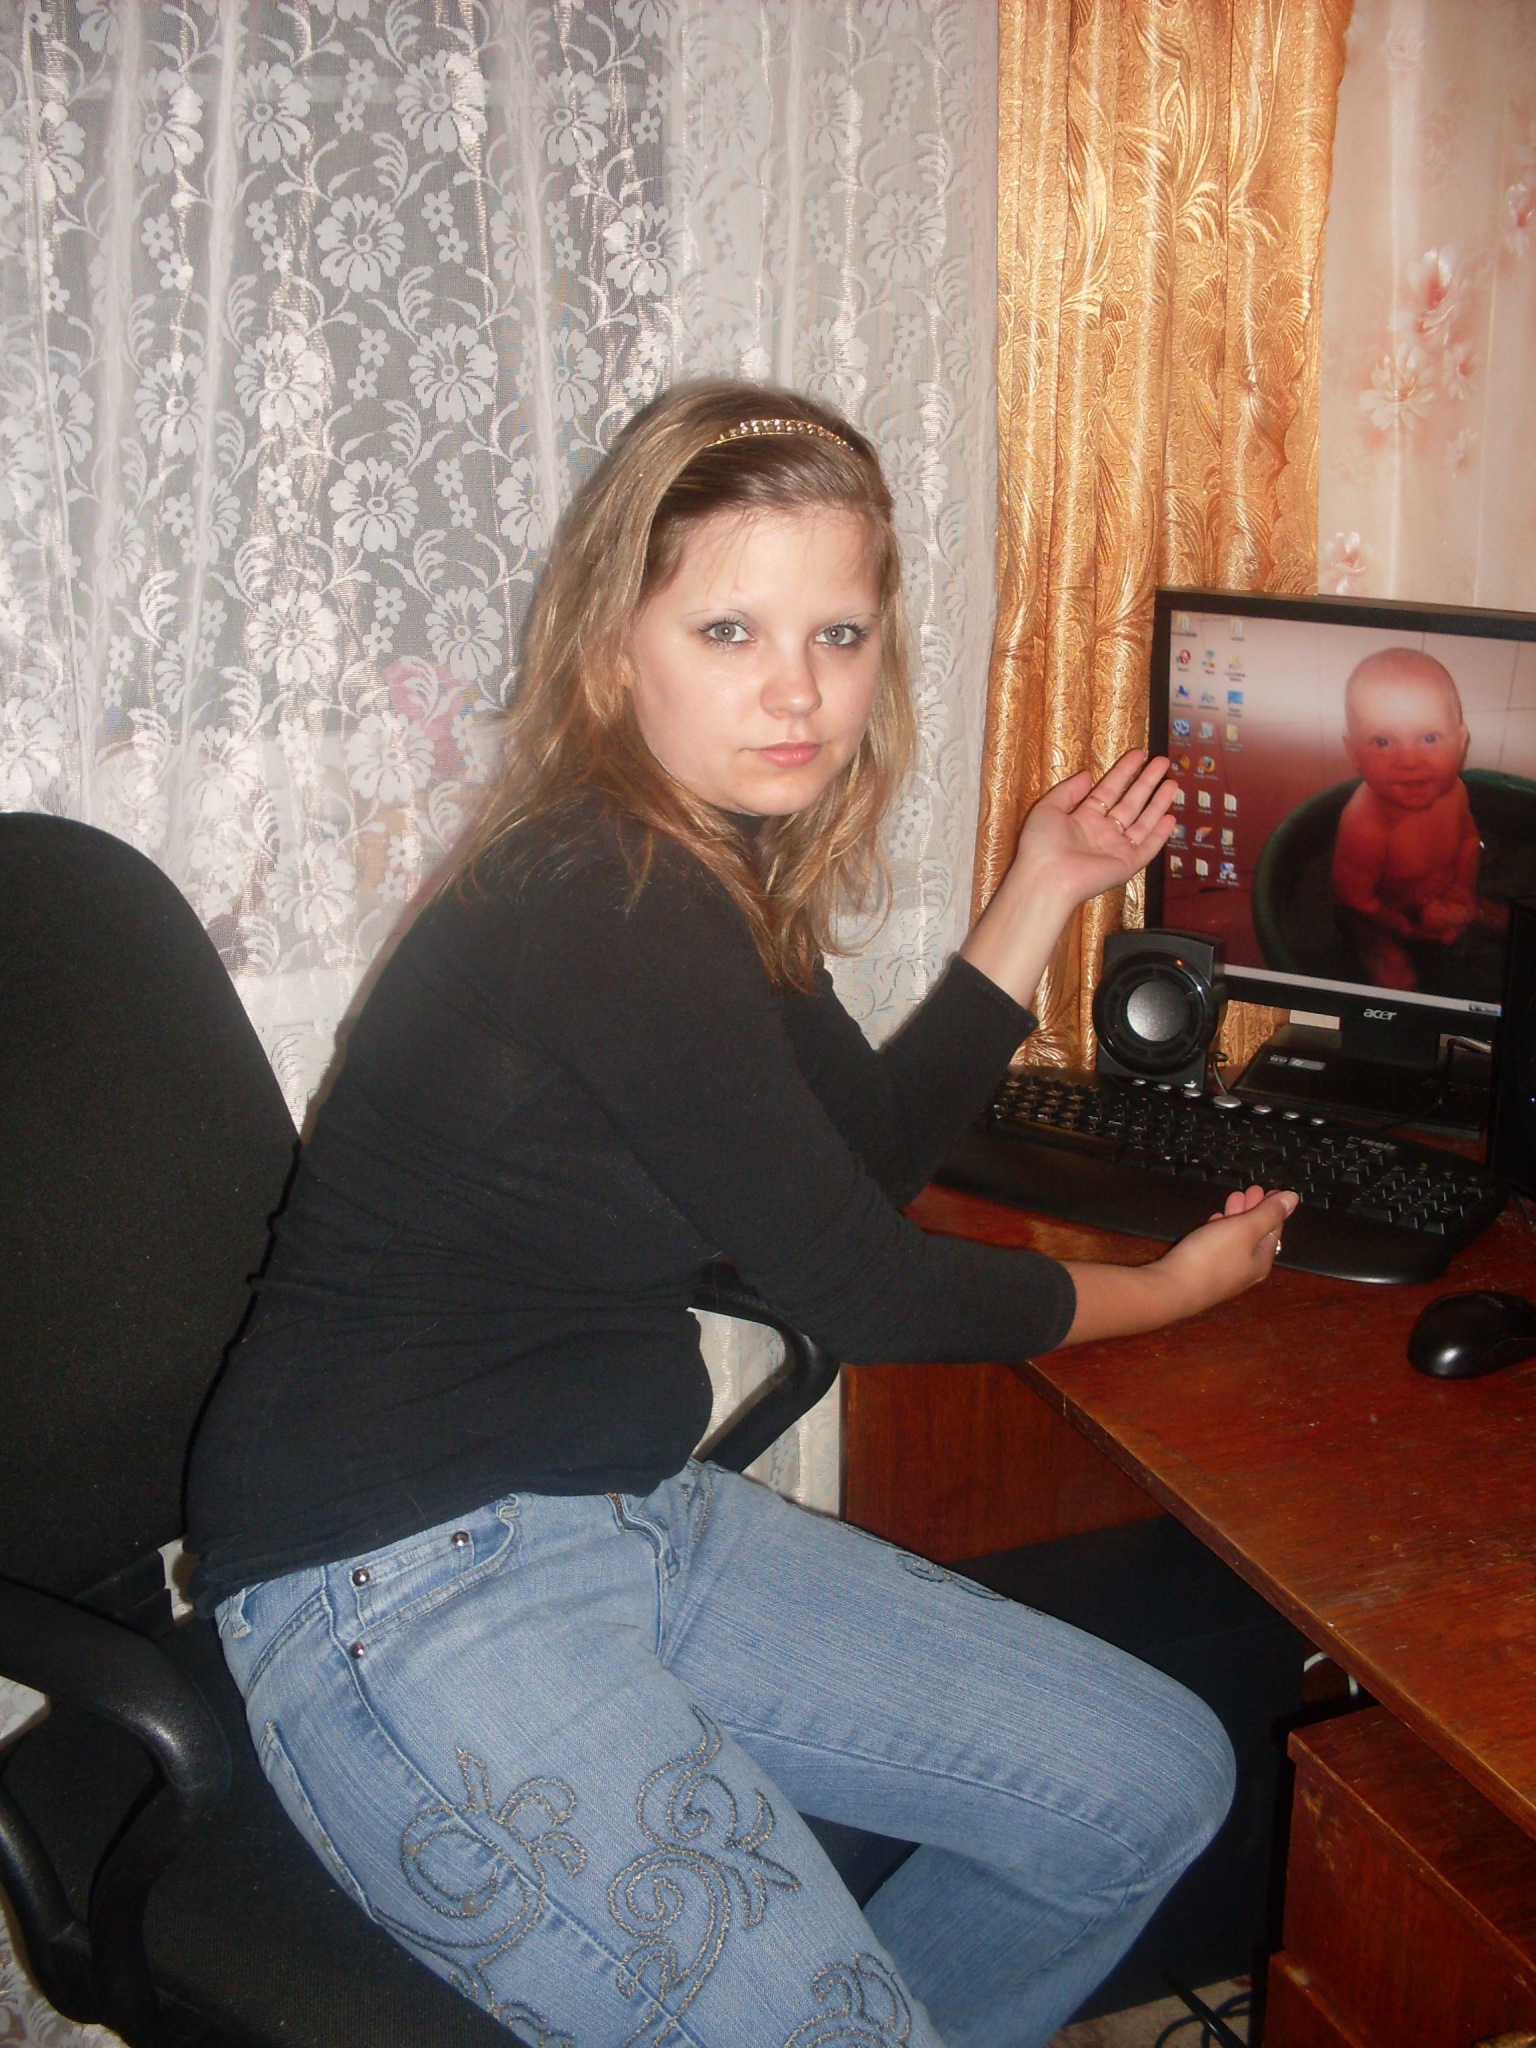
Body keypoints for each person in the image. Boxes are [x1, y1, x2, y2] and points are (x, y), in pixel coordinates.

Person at [186, 383, 1296, 2048]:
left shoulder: (707, 867)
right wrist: (1170, 1290)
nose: (799, 690)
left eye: (838, 634)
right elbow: (865, 1289)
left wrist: (1044, 885)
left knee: (1143, 1786)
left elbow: (858, 1156)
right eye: (730, 629)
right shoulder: (607, 896)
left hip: (616, 1501)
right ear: (612, 644)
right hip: (391, 1580)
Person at [1330, 647, 1494, 991]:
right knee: (1386, 963)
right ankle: (1382, 950)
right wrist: (1401, 925)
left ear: (1461, 742)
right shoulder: (1365, 825)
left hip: (1443, 891)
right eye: (1383, 741)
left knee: (1508, 922)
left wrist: (1462, 889)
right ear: (1354, 753)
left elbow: (1468, 840)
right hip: (1383, 911)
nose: (1409, 761)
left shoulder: (1455, 793)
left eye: (1429, 738)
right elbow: (1354, 898)